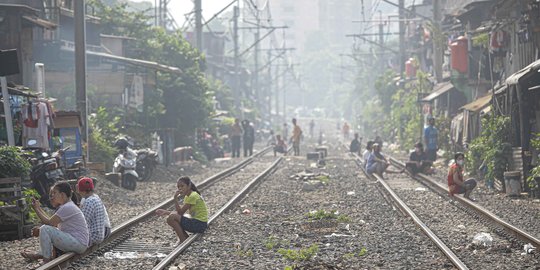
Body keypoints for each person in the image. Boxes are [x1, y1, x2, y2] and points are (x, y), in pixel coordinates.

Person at [21, 182, 89, 263]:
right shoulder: (67, 206)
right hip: (78, 242)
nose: (52, 196)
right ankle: (41, 254)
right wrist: (38, 208)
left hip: (78, 243)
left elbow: (49, 223)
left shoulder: (67, 207)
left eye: (54, 193)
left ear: (62, 194)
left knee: (45, 229)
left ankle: (46, 260)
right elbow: (51, 221)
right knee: (47, 229)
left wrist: (36, 209)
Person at [156, 176, 208, 245]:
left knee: (171, 218)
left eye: (182, 186)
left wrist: (175, 198)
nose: (180, 188)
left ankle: (182, 239)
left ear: (189, 186)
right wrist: (166, 212)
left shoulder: (193, 196)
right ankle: (184, 237)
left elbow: (180, 213)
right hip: (198, 223)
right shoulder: (188, 196)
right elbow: (179, 213)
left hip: (199, 224)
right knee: (172, 217)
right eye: (178, 187)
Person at [76, 177, 111, 245]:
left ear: (80, 190)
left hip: (94, 236)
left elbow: (83, 223)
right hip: (101, 233)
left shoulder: (88, 202)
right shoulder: (96, 198)